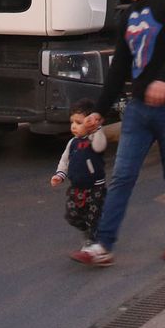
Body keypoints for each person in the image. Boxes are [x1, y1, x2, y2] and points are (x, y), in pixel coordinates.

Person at [73, 0, 165, 267]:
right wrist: (99, 110)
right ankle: (102, 244)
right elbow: (120, 68)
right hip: (140, 109)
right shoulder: (127, 15)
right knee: (123, 175)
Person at [51, 100, 108, 245]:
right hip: (76, 187)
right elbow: (65, 160)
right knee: (72, 215)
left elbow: (100, 147)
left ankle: (93, 240)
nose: (74, 126)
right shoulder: (72, 142)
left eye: (78, 122)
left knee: (94, 216)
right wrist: (60, 174)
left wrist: (97, 129)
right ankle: (88, 230)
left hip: (95, 187)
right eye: (72, 122)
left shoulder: (94, 138)